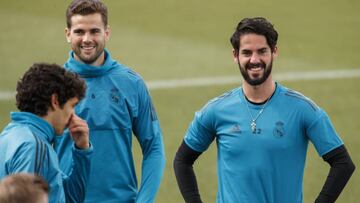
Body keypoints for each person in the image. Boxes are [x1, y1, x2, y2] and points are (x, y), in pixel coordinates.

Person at [173, 17, 355, 203]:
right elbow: (182, 161)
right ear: (235, 55)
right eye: (246, 52)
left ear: (274, 52)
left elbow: (343, 164)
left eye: (262, 51)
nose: (254, 60)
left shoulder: (303, 110)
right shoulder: (215, 110)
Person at [54, 0, 165, 202]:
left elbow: (154, 148)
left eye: (94, 31)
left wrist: (144, 200)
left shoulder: (132, 83)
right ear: (67, 34)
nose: (87, 39)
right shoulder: (52, 85)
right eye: (79, 31)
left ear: (107, 33)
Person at [0, 63, 93, 203]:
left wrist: (82, 149)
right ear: (55, 101)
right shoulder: (34, 146)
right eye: (72, 105)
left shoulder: (11, 134)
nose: (74, 115)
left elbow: (70, 198)